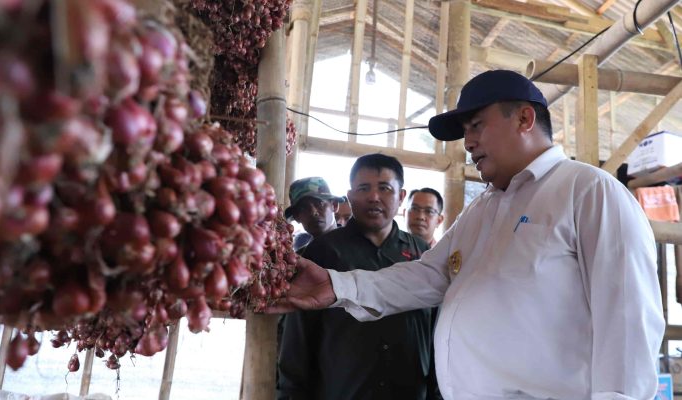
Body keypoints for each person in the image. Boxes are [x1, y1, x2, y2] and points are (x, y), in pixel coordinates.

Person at [272, 70, 665, 399]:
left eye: (476, 125)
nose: (469, 142)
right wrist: (338, 287)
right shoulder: (485, 207)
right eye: (465, 132)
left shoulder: (588, 191)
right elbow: (430, 275)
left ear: (525, 119)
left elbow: (628, 322)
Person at [277, 154, 439, 400]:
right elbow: (296, 342)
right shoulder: (321, 253)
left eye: (385, 188)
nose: (374, 196)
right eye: (364, 188)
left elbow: (439, 334)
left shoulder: (423, 255)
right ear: (350, 196)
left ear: (401, 196)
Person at [284, 177, 346, 252]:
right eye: (304, 208)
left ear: (334, 205)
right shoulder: (300, 260)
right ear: (297, 217)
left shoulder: (357, 245)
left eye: (320, 203)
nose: (313, 212)